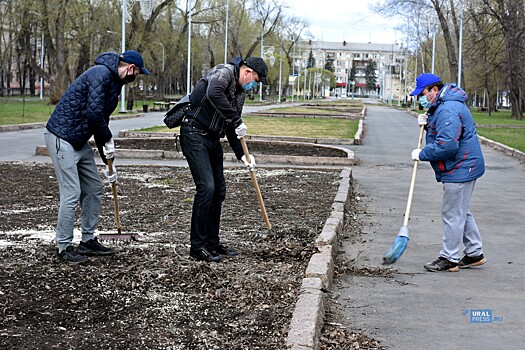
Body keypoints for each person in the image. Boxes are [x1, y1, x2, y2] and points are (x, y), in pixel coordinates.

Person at [45, 50, 151, 264]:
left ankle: (87, 240)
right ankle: (63, 247)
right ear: (130, 68)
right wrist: (108, 139)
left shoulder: (114, 83)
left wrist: (106, 155)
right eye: (137, 73)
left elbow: (101, 118)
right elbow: (94, 115)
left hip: (77, 139)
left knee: (94, 187)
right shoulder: (100, 74)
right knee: (72, 192)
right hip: (61, 136)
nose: (136, 78)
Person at [179, 56, 269, 263]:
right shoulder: (224, 72)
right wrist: (237, 120)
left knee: (219, 191)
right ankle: (197, 246)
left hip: (211, 139)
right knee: (206, 188)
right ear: (247, 71)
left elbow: (231, 127)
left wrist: (243, 155)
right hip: (194, 133)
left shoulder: (239, 94)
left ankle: (212, 241)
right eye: (255, 79)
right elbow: (213, 93)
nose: (254, 84)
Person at [409, 73, 487, 272]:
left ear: (435, 90)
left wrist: (422, 153)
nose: (421, 99)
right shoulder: (444, 106)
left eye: (423, 94)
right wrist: (427, 124)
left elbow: (447, 146)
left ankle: (449, 258)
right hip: (464, 164)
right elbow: (443, 133)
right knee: (460, 210)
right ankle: (474, 253)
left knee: (452, 212)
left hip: (460, 166)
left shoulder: (448, 110)